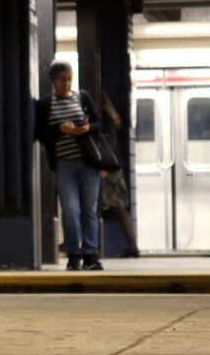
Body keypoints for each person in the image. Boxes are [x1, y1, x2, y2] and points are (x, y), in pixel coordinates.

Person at [35, 60, 103, 270]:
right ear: (53, 80)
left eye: (69, 78)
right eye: (62, 79)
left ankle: (90, 254)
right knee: (71, 210)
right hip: (64, 164)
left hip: (88, 163)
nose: (66, 83)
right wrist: (60, 130)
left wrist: (86, 128)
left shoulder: (82, 97)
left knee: (89, 210)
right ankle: (73, 253)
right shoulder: (46, 104)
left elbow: (99, 123)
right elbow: (40, 133)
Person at [99, 91, 139, 258]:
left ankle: (131, 246)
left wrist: (104, 167)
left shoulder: (102, 117)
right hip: (114, 167)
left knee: (114, 207)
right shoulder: (110, 115)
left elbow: (106, 144)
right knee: (119, 207)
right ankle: (131, 246)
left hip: (107, 169)